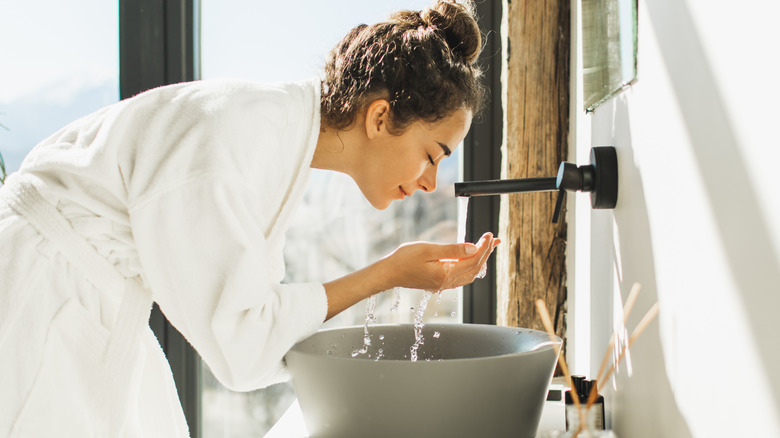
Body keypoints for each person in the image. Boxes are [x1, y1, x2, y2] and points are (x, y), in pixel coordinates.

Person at [0, 0, 498, 436]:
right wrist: (388, 273)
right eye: (433, 155)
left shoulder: (279, 137)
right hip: (47, 294)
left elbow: (256, 323)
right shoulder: (236, 140)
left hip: (88, 293)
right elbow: (244, 347)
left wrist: (390, 273)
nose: (432, 181)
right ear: (380, 118)